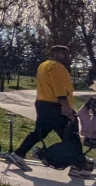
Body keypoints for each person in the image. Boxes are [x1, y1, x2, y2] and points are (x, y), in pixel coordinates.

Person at [7, 45, 94, 178]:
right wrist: (65, 105)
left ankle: (18, 154)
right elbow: (58, 87)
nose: (68, 58)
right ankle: (78, 167)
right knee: (71, 135)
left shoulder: (43, 65)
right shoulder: (57, 67)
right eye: (65, 55)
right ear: (56, 54)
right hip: (56, 106)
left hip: (43, 104)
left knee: (39, 132)